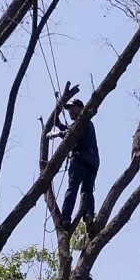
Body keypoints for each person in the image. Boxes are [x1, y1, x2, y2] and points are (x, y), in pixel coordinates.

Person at [51, 98, 100, 230]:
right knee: (87, 190)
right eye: (68, 110)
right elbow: (72, 130)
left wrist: (57, 134)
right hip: (93, 161)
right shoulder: (87, 123)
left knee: (72, 188)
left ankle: (66, 218)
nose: (70, 112)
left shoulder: (82, 122)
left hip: (80, 159)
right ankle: (89, 216)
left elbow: (72, 133)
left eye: (72, 108)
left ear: (80, 108)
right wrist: (60, 125)